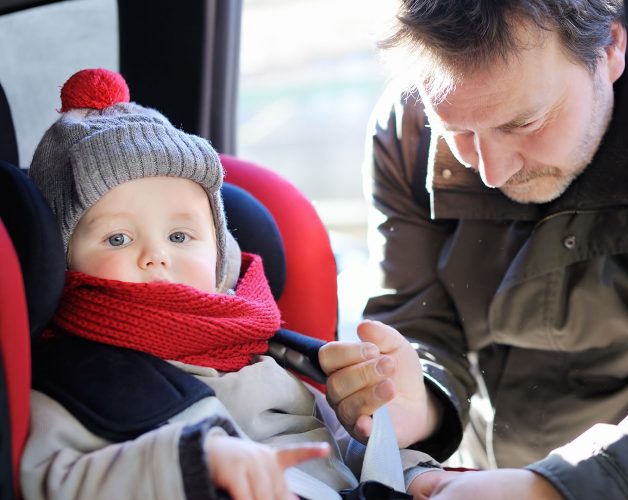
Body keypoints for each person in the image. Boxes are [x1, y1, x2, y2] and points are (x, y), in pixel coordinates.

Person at [318, 1, 628, 499]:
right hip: (480, 474)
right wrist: (418, 396)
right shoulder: (408, 128)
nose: (490, 172)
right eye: (457, 132)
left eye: (523, 124)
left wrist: (552, 488)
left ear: (611, 48)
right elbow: (419, 324)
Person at [20, 68, 448, 500]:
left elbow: (340, 453)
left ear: (220, 254)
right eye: (117, 238)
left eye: (179, 236)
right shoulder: (70, 378)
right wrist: (189, 465)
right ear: (61, 262)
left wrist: (415, 476)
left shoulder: (262, 352)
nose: (157, 255)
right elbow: (51, 478)